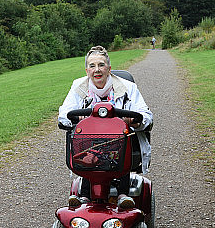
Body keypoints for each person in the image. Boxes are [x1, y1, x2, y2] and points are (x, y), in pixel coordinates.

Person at [58, 46, 153, 208]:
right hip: (90, 143)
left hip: (119, 144)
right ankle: (86, 197)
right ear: (87, 70)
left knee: (118, 147)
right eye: (92, 66)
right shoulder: (78, 87)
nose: (97, 70)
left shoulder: (128, 87)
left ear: (109, 69)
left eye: (101, 65)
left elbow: (146, 116)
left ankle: (123, 194)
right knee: (89, 151)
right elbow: (63, 115)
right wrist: (75, 117)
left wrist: (134, 120)